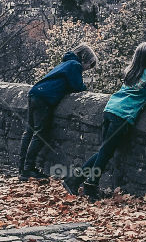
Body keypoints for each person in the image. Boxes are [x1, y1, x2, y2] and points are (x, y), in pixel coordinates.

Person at [69, 41, 146, 200]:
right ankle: (90, 184)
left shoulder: (131, 72)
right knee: (105, 152)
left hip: (110, 109)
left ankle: (75, 179)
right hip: (122, 116)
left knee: (104, 150)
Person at [19, 44, 98, 180]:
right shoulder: (75, 65)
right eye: (89, 66)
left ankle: (22, 166)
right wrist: (85, 86)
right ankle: (28, 168)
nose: (87, 70)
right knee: (40, 132)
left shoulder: (66, 63)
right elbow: (78, 86)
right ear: (85, 59)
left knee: (30, 131)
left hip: (35, 93)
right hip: (45, 98)